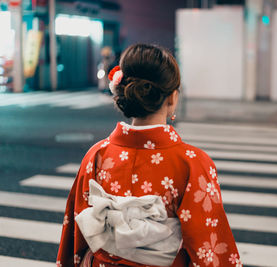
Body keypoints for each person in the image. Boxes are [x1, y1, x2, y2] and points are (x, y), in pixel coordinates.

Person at [57, 44, 242, 267]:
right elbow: (209, 248)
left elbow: (76, 235)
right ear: (172, 98)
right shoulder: (192, 163)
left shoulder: (96, 155)